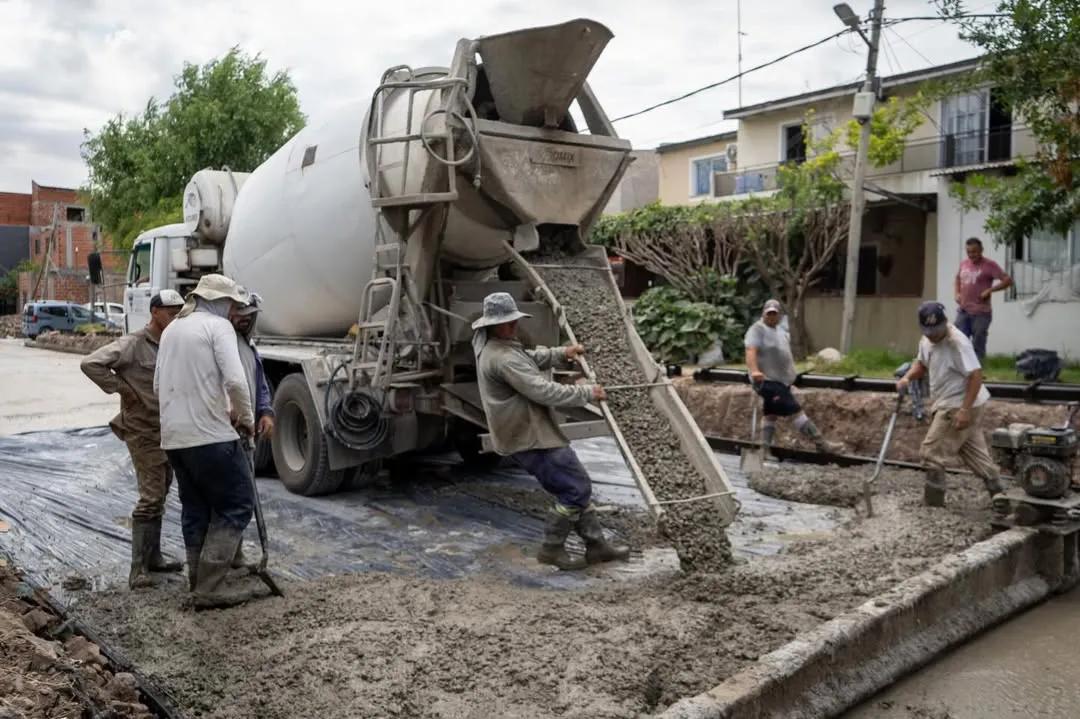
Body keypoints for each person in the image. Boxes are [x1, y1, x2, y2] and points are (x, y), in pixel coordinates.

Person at [472, 291, 630, 571]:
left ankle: (596, 546)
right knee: (575, 488)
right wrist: (586, 393)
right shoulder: (502, 357)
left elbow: (528, 359)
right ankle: (552, 549)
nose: (513, 327)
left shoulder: (497, 346)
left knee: (574, 488)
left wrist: (561, 354)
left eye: (513, 321)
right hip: (529, 437)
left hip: (526, 433)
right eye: (507, 323)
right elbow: (541, 389)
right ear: (491, 325)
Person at [155, 274, 257, 609]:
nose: (232, 310)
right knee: (237, 504)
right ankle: (210, 588)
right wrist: (247, 420)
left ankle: (196, 579)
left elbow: (158, 386)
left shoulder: (171, 330)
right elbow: (236, 381)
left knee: (196, 507)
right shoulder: (218, 327)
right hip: (211, 437)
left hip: (174, 440)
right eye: (230, 303)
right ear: (218, 301)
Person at [80, 289, 186, 589]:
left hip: (166, 429)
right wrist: (121, 389)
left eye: (179, 311)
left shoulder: (172, 342)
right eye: (170, 312)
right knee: (151, 496)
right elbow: (91, 364)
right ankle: (138, 569)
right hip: (142, 431)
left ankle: (153, 557)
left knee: (162, 493)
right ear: (154, 312)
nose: (176, 316)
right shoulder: (133, 344)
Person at [896, 301, 1005, 507]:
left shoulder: (957, 343)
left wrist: (964, 410)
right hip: (958, 402)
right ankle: (999, 493)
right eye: (928, 331)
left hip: (959, 403)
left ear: (944, 323)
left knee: (931, 453)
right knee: (971, 450)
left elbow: (976, 376)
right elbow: (921, 363)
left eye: (936, 331)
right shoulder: (927, 339)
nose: (933, 335)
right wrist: (907, 378)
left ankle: (933, 505)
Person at [744, 299, 844, 457]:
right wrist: (755, 371)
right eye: (768, 313)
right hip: (767, 381)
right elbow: (751, 350)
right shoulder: (757, 330)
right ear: (763, 313)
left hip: (780, 381)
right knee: (796, 411)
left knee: (770, 413)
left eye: (774, 314)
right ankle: (821, 444)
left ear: (779, 316)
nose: (771, 316)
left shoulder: (780, 331)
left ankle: (763, 450)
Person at [228, 291, 275, 569]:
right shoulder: (222, 344)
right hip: (227, 431)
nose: (245, 321)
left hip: (246, 431)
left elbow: (260, 383)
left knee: (243, 492)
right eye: (241, 316)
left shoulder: (249, 346)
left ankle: (235, 554)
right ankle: (224, 559)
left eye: (250, 317)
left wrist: (266, 411)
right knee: (234, 495)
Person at [954, 237, 1012, 359]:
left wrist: (990, 290)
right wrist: (957, 293)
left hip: (981, 312)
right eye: (969, 252)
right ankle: (961, 370)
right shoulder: (964, 263)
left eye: (974, 251)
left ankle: (978, 371)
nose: (971, 255)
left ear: (981, 250)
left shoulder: (990, 265)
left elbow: (1007, 280)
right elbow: (958, 278)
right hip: (964, 310)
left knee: (978, 341)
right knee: (958, 340)